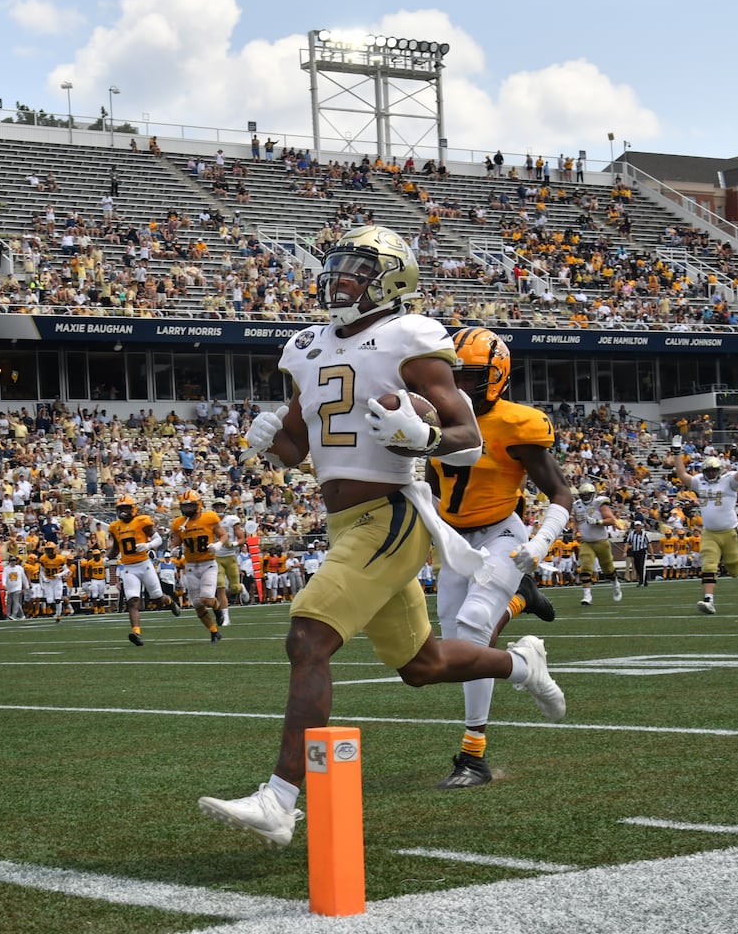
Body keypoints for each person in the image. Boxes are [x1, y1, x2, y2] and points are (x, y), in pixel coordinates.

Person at [198, 225, 565, 847]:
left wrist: (423, 440)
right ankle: (521, 663)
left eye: (352, 268)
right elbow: (300, 449)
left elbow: (467, 439)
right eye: (335, 265)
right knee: (420, 665)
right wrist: (270, 440)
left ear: (391, 277)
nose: (337, 277)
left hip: (392, 513)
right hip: (345, 518)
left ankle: (281, 800)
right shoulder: (306, 345)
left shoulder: (410, 336)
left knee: (308, 635)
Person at [426, 326, 570, 789]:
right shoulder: (431, 415)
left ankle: (473, 755)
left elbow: (561, 492)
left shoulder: (516, 423)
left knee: (470, 630)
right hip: (454, 540)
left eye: (469, 377)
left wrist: (542, 540)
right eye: (454, 376)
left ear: (496, 376)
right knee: (454, 654)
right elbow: (431, 488)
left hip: (501, 533)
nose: (459, 387)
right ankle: (523, 632)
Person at [666, 434, 738, 614]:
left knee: (734, 569)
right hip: (709, 532)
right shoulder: (700, 481)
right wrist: (677, 453)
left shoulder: (729, 480)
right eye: (707, 471)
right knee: (708, 564)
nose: (710, 474)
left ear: (720, 469)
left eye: (713, 471)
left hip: (729, 531)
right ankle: (709, 600)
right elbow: (682, 475)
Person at [169, 489, 226, 642]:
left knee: (207, 599)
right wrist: (174, 549)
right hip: (191, 566)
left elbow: (223, 534)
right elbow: (175, 542)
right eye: (185, 506)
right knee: (197, 604)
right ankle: (214, 632)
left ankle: (217, 607)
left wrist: (219, 544)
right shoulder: (179, 523)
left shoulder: (209, 518)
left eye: (190, 506)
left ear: (198, 504)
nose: (187, 509)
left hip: (208, 563)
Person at [107, 494, 164, 645]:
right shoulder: (115, 527)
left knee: (158, 596)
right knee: (132, 600)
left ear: (133, 509)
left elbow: (159, 539)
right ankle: (136, 633)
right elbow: (116, 548)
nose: (124, 512)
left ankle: (170, 602)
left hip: (144, 564)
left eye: (126, 508)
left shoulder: (142, 521)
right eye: (121, 509)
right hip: (128, 567)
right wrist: (106, 558)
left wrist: (147, 545)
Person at [570, 482, 623, 606]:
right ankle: (587, 596)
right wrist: (575, 530)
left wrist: (597, 522)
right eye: (583, 495)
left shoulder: (600, 503)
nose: (585, 497)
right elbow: (576, 520)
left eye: (588, 495)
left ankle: (615, 583)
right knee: (585, 567)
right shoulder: (577, 505)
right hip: (586, 541)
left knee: (608, 568)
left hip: (601, 541)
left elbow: (611, 520)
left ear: (593, 494)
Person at [626, 516, 651, 587]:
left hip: (642, 551)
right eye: (636, 526)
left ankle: (641, 582)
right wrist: (625, 551)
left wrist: (652, 554)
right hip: (635, 551)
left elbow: (649, 544)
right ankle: (645, 581)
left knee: (641, 566)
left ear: (641, 526)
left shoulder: (644, 534)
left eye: (638, 525)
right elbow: (628, 542)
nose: (637, 527)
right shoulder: (631, 534)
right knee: (637, 567)